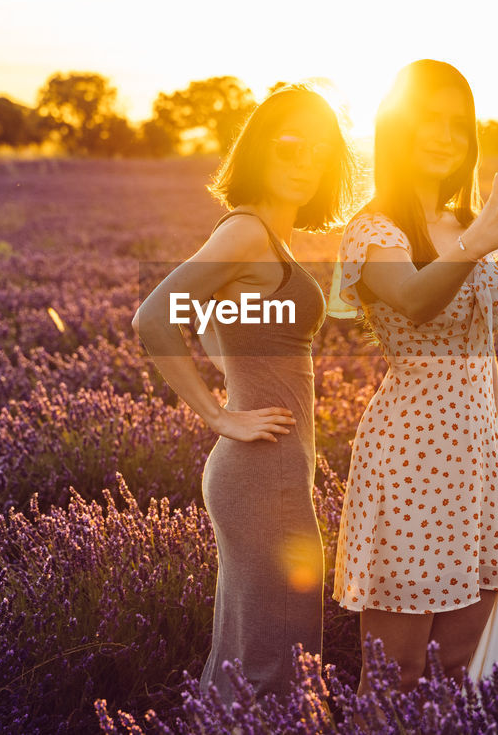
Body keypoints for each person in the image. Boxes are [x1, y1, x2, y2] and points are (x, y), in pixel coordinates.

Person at [132, 84, 358, 702]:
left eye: (321, 148)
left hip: (268, 474)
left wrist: (235, 373)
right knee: (275, 665)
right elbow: (156, 317)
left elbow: (208, 317)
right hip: (262, 474)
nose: (305, 158)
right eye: (290, 143)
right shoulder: (248, 234)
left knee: (249, 656)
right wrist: (219, 414)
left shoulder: (266, 240)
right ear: (260, 149)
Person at [327, 59, 498, 691]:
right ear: (397, 130)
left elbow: (483, 358)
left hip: (474, 466)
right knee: (395, 669)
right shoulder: (374, 231)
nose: (447, 135)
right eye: (429, 120)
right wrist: (477, 239)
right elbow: (417, 299)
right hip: (409, 463)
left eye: (459, 123)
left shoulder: (469, 228)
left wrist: (496, 457)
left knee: (463, 670)